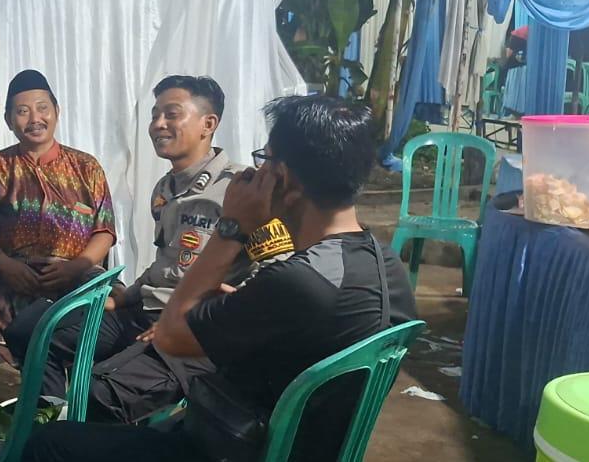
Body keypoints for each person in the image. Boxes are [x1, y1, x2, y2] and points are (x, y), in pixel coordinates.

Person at [23, 95, 419, 462]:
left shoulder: (301, 280)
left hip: (233, 449)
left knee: (49, 443)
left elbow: (171, 336)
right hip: (293, 441)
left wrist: (232, 227)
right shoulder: (385, 264)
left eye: (265, 160)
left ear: (285, 179)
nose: (257, 171)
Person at [5, 75, 251, 424]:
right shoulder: (164, 189)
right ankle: (48, 428)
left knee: (95, 393)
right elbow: (166, 265)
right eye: (154, 115)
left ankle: (72, 435)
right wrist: (124, 297)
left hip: (192, 329)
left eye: (171, 114)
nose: (158, 124)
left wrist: (193, 319)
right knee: (33, 333)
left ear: (208, 124)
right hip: (144, 310)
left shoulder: (242, 189)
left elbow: (269, 276)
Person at [0, 69, 116, 381]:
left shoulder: (87, 167)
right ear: (9, 120)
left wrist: (76, 266)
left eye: (42, 108)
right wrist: (5, 264)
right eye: (22, 111)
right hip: (7, 272)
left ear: (57, 112)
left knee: (115, 308)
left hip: (74, 275)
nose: (35, 118)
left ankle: (76, 400)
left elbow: (104, 231)